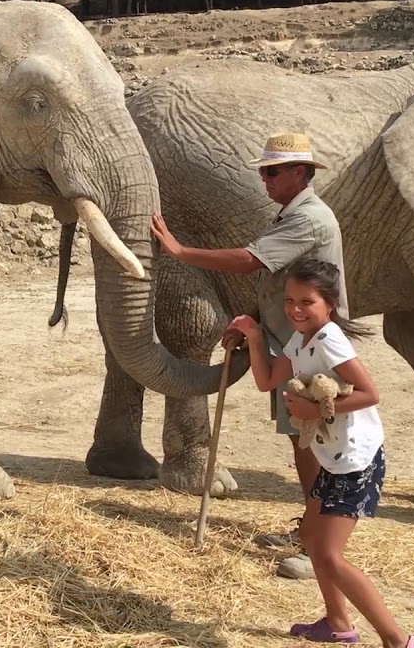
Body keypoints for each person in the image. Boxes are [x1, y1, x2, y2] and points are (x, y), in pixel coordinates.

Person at [151, 131, 347, 580]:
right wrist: (253, 321)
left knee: (317, 444)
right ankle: (312, 530)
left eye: (272, 171)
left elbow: (248, 261)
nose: (264, 179)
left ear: (300, 172)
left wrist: (180, 251)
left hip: (314, 350)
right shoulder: (292, 216)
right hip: (295, 343)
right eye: (262, 171)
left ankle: (322, 547)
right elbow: (282, 283)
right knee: (304, 440)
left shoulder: (310, 219)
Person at [227, 258, 414, 648]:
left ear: (328, 304)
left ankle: (398, 640)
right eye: (289, 301)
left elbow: (371, 393)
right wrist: (252, 335)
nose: (296, 310)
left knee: (331, 556)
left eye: (307, 302)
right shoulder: (298, 341)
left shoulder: (331, 339)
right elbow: (267, 380)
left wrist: (317, 410)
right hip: (331, 458)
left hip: (355, 460)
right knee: (313, 542)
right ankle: (338, 625)